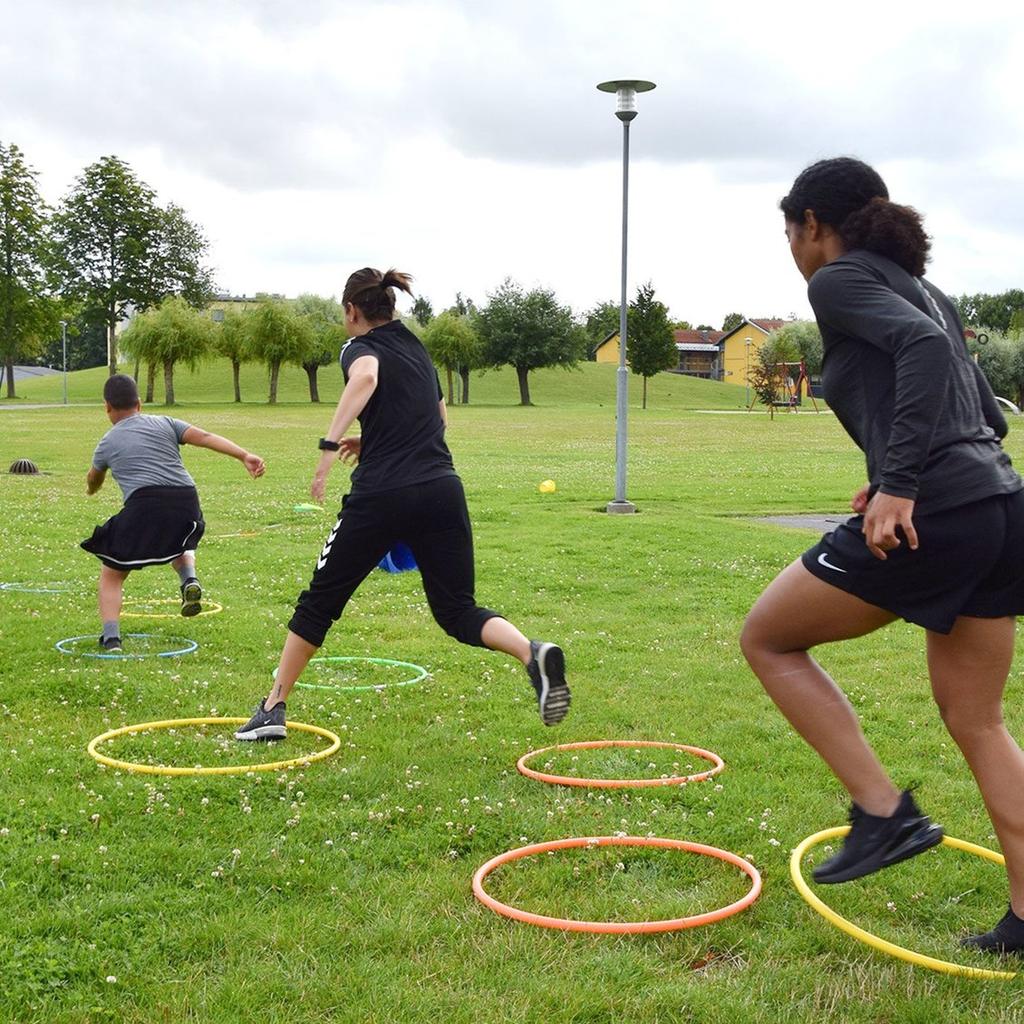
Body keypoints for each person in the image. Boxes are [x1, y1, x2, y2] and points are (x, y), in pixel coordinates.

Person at [740, 157, 1024, 954]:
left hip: (938, 510)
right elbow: (984, 419)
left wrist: (899, 484)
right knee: (978, 720)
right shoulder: (922, 284)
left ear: (813, 226)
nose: (793, 246)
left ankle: (882, 813)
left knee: (768, 637)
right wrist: (888, 481)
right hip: (999, 504)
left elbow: (927, 358)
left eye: (790, 230)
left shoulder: (836, 279)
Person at [235, 268, 569, 742]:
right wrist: (372, 440)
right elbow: (438, 420)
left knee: (319, 602)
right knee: (457, 610)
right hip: (442, 488)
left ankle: (272, 709)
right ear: (390, 306)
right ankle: (530, 652)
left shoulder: (357, 349)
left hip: (382, 496)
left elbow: (367, 378)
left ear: (353, 311)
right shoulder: (418, 350)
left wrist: (329, 449)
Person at [82, 374, 265, 650]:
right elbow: (204, 437)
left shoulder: (106, 443)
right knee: (179, 540)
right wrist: (244, 455)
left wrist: (92, 488)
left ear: (107, 407)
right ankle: (189, 579)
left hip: (145, 504)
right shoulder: (165, 422)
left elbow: (94, 478)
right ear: (139, 404)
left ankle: (111, 638)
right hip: (186, 502)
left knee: (112, 573)